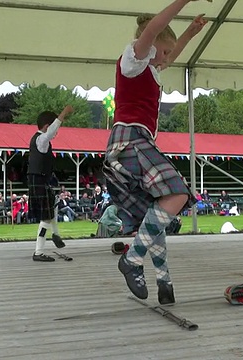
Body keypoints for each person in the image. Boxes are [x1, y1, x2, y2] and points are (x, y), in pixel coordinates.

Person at [103, 0, 206, 305]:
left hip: (132, 144)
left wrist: (190, 32)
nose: (166, 58)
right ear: (151, 46)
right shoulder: (133, 60)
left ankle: (165, 282)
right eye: (163, 51)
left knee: (157, 214)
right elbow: (153, 30)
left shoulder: (149, 68)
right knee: (178, 194)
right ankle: (132, 260)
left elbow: (169, 51)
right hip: (131, 140)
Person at [28, 105, 74, 262]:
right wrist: (63, 114)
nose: (56, 134)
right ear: (47, 126)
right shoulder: (41, 139)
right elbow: (52, 131)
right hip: (39, 180)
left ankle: (56, 234)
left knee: (52, 206)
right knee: (46, 218)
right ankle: (39, 252)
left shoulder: (38, 141)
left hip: (40, 180)